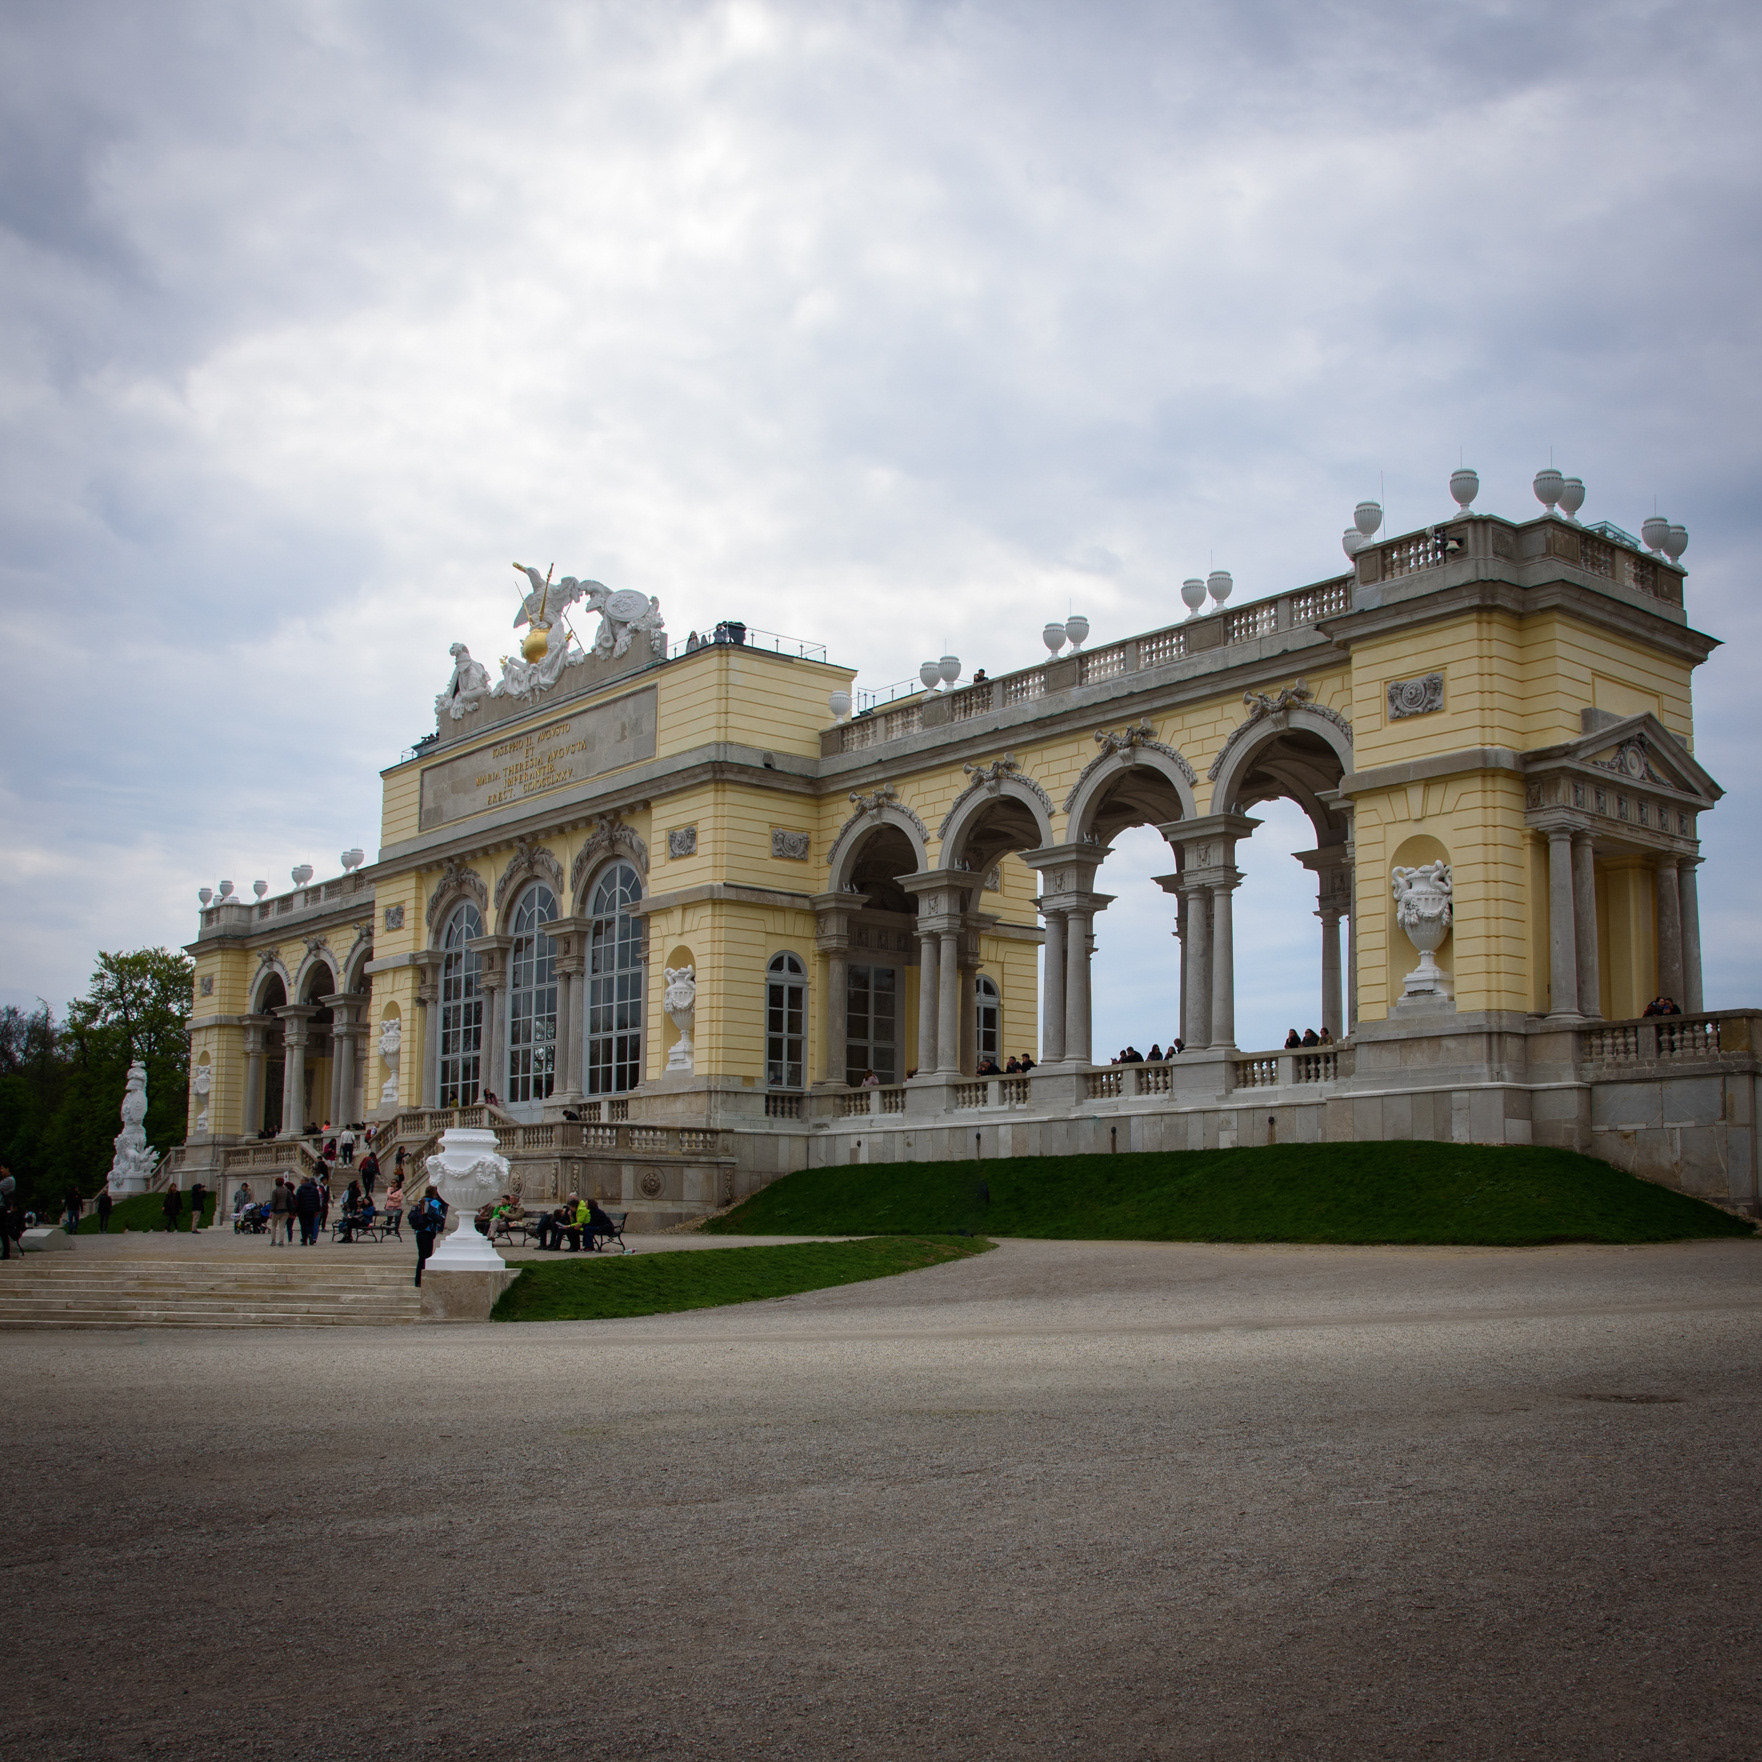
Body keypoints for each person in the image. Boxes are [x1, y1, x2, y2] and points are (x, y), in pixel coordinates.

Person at [411, 1191, 446, 1286]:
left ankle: (417, 1281)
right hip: (428, 1231)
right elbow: (435, 1215)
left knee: (421, 1256)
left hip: (419, 1231)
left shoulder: (420, 1201)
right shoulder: (434, 1202)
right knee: (427, 1256)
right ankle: (424, 1280)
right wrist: (441, 1220)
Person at [293, 1174, 322, 1246]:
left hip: (302, 1210)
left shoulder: (300, 1189)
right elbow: (317, 1200)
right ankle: (310, 1234)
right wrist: (317, 1210)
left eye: (301, 1181)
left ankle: (304, 1239)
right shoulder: (314, 1189)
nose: (300, 1183)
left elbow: (298, 1201)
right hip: (312, 1209)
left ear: (304, 1181)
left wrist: (296, 1211)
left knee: (303, 1225)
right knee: (311, 1224)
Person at [269, 1176, 292, 1245]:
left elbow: (273, 1202)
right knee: (282, 1226)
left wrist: (271, 1211)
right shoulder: (287, 1191)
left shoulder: (275, 1191)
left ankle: (273, 1240)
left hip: (276, 1210)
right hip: (285, 1210)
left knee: (273, 1226)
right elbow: (289, 1201)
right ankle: (281, 1241)